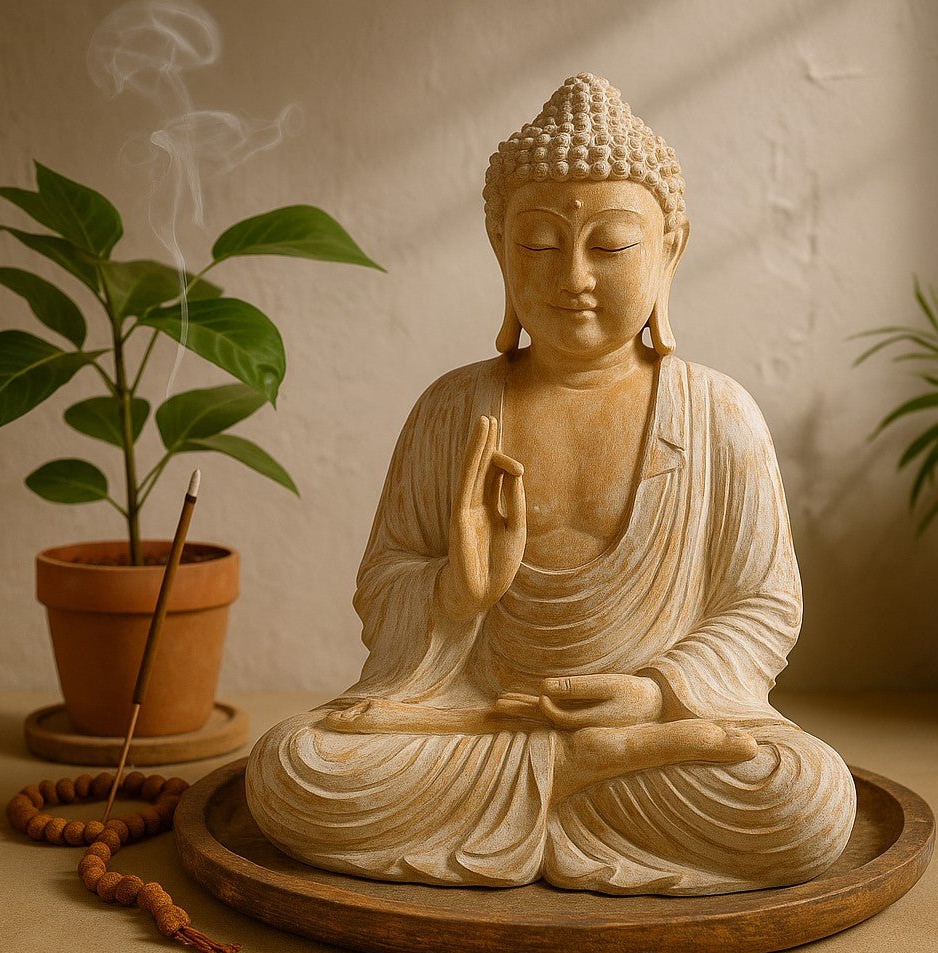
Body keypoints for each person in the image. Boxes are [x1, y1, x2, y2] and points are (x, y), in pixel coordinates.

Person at [245, 73, 856, 895]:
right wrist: (455, 593)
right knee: (299, 769)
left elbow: (762, 604)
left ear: (669, 251)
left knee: (803, 796)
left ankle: (569, 775)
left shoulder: (717, 414)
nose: (573, 274)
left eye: (609, 247)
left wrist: (654, 695)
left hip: (650, 727)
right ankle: (571, 774)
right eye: (538, 244)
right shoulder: (451, 409)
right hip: (475, 721)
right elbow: (384, 579)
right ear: (501, 252)